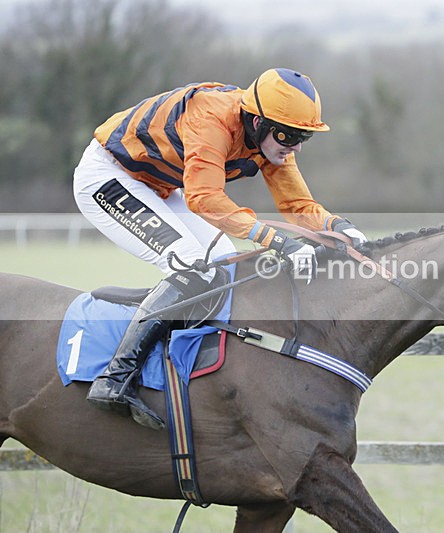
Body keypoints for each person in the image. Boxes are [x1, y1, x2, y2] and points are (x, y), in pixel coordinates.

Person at [73, 68, 366, 429]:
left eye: (303, 136)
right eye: (289, 135)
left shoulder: (270, 137)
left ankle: (192, 372)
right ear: (257, 122)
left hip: (159, 185)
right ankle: (115, 378)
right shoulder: (211, 118)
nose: (296, 146)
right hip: (109, 176)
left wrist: (338, 226)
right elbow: (204, 198)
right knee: (192, 264)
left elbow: (297, 205)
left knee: (225, 265)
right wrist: (277, 241)